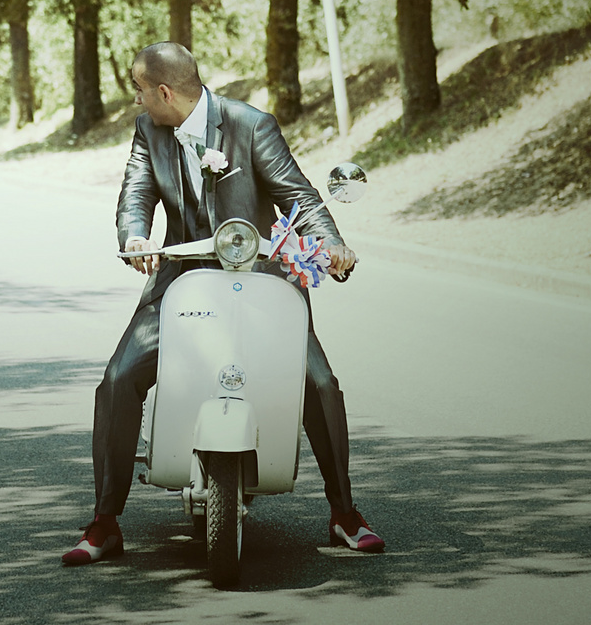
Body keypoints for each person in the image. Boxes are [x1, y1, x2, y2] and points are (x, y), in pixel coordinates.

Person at [62, 41, 383, 565]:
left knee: (318, 381)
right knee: (119, 380)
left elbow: (300, 198)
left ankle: (345, 513)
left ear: (164, 91)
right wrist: (136, 238)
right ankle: (104, 521)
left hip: (260, 281)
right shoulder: (149, 130)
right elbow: (135, 194)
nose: (136, 102)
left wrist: (331, 247)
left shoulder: (250, 125)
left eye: (140, 92)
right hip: (180, 280)